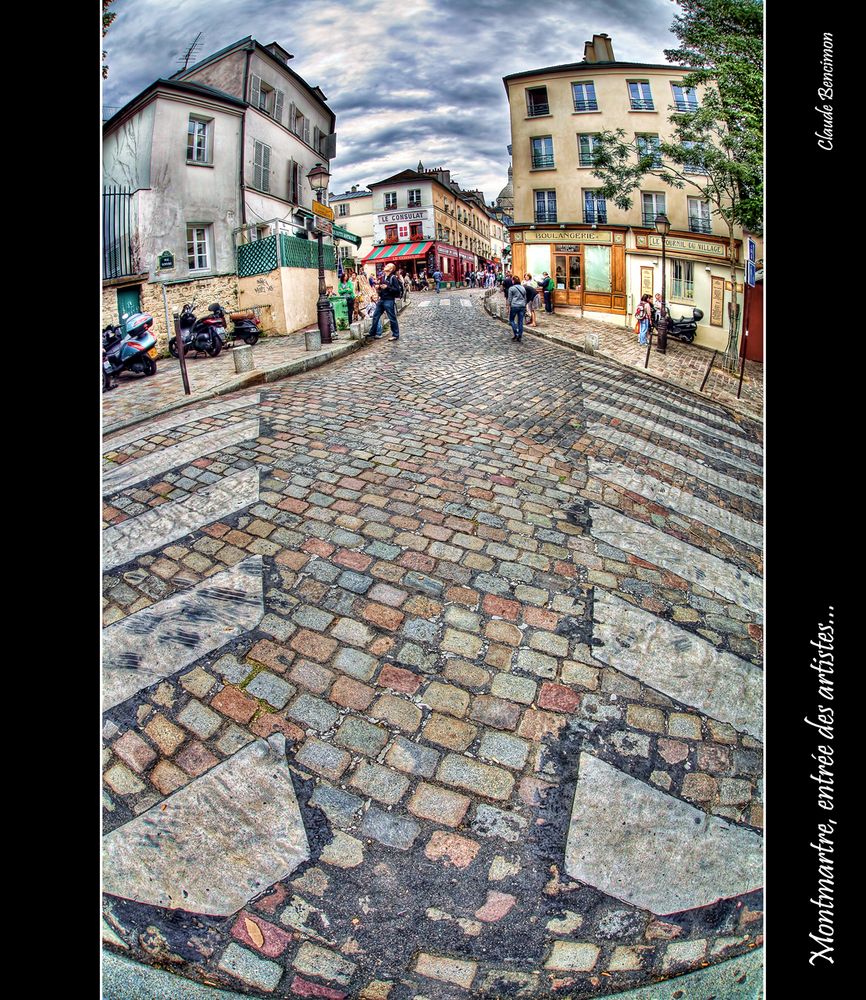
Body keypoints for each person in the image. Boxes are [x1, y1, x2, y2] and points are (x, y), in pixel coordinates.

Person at [367, 262, 403, 341]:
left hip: (389, 300)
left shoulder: (393, 278)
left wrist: (387, 287)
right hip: (382, 300)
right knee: (375, 316)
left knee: (392, 317)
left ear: (391, 269)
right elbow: (381, 289)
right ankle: (372, 332)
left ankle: (395, 335)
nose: (386, 266)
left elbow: (397, 290)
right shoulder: (382, 277)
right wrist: (378, 288)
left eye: (388, 266)